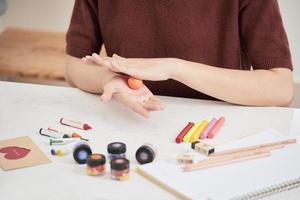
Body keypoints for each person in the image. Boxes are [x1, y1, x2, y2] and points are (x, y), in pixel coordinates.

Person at [65, 0, 294, 118]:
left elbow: (280, 88)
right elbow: (74, 66)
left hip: (217, 131)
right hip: (130, 122)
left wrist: (175, 68)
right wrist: (110, 79)